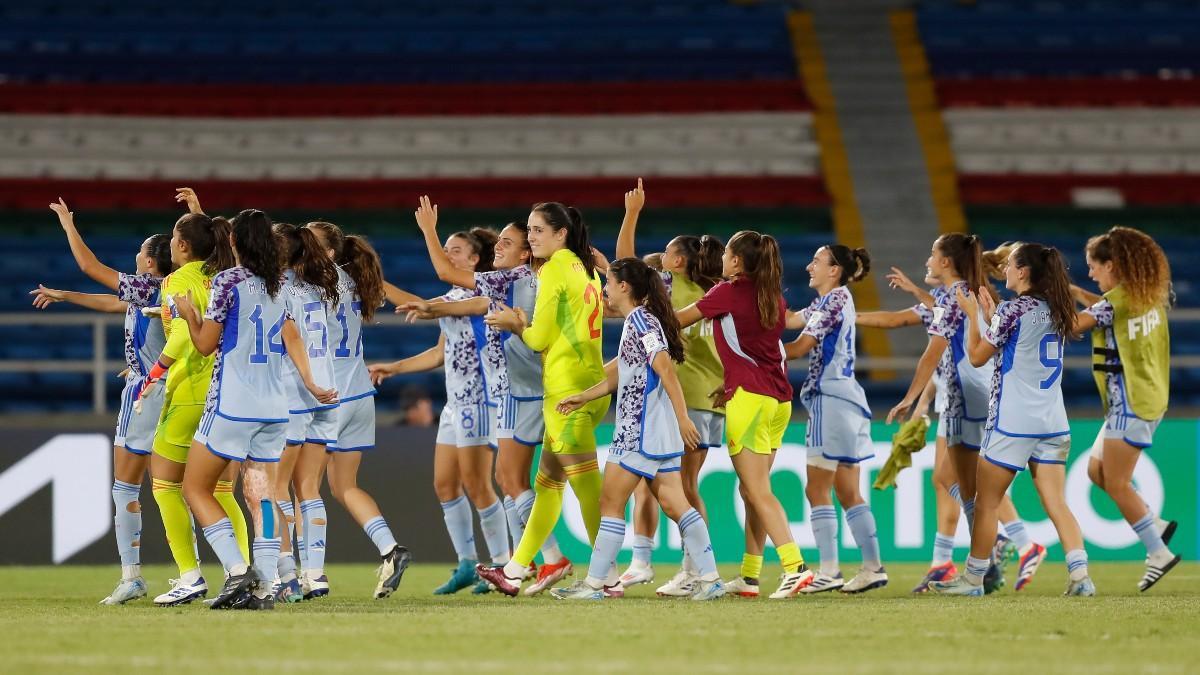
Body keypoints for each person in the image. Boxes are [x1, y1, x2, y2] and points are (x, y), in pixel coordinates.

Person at [171, 208, 336, 609]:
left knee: (194, 488)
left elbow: (206, 344)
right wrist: (312, 382)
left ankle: (235, 570)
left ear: (233, 241)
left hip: (232, 405)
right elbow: (292, 334)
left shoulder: (229, 281)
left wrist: (190, 315)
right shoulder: (281, 285)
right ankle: (265, 586)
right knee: (261, 493)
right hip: (275, 409)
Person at [399, 209, 570, 591]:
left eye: (508, 243)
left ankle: (551, 559)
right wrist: (431, 308)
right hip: (512, 391)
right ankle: (525, 562)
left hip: (516, 390)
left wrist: (428, 230)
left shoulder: (518, 277)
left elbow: (449, 277)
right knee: (514, 480)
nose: (500, 247)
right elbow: (473, 305)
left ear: (526, 253)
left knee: (511, 479)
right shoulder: (519, 280)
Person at [549, 257, 725, 601]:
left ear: (624, 287)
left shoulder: (641, 321)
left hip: (639, 430)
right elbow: (624, 372)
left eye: (609, 283)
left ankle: (595, 584)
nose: (605, 289)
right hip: (657, 430)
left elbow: (665, 369)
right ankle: (711, 578)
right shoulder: (642, 320)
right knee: (677, 504)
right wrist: (584, 397)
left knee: (610, 502)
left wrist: (684, 417)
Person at [32, 199, 174, 604]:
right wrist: (65, 296)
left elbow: (91, 269)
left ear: (150, 262)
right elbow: (114, 304)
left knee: (125, 486)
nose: (137, 254)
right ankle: (194, 573)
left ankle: (132, 575)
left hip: (147, 395)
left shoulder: (149, 285)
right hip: (172, 389)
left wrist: (67, 225)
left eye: (142, 250)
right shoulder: (167, 290)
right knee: (176, 487)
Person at [932, 243, 1094, 596]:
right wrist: (990, 318)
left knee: (986, 503)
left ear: (1023, 272)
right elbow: (1019, 345)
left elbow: (977, 357)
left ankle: (973, 579)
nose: (1004, 269)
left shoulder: (1013, 309)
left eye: (1010, 265)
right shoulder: (1058, 309)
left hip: (1013, 423)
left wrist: (974, 315)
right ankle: (1081, 576)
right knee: (1056, 502)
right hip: (1053, 421)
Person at [370, 210, 510, 595]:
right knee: (444, 485)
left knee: (478, 485)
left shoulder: (485, 293)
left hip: (479, 402)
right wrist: (394, 367)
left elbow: (423, 304)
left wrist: (426, 234)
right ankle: (467, 563)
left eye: (456, 250)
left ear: (474, 260)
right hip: (454, 403)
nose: (448, 255)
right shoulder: (452, 299)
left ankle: (500, 565)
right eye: (445, 249)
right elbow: (438, 352)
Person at [475, 202, 608, 597]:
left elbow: (538, 339)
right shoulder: (585, 267)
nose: (531, 237)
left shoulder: (553, 269)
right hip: (589, 380)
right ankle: (515, 571)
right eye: (529, 231)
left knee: (586, 490)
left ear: (560, 233)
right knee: (547, 484)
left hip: (566, 391)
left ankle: (606, 577)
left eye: (536, 231)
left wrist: (515, 323)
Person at [675, 230, 813, 599]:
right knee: (753, 490)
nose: (721, 259)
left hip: (750, 401)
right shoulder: (771, 296)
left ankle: (794, 566)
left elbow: (677, 321)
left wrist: (634, 308)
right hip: (778, 400)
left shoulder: (726, 292)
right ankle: (750, 576)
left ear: (736, 262)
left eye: (727, 254)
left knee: (756, 490)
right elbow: (761, 348)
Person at [610, 179, 728, 597]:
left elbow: (627, 265)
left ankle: (694, 569)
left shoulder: (671, 289)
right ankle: (646, 562)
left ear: (676, 261)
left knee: (681, 489)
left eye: (667, 254)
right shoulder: (711, 290)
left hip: (688, 398)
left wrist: (632, 213)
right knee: (656, 482)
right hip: (712, 397)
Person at [138, 189, 248, 607]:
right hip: (225, 394)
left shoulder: (176, 281)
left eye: (172, 238)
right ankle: (242, 573)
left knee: (166, 485)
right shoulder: (224, 274)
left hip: (188, 392)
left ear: (182, 246)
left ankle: (190, 575)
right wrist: (200, 215)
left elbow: (185, 335)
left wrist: (156, 376)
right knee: (220, 490)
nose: (169, 245)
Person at [885, 233, 1012, 593]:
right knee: (949, 479)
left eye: (932, 253)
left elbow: (932, 352)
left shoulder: (948, 296)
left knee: (966, 489)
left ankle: (985, 560)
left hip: (960, 397)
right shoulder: (966, 293)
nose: (927, 259)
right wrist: (915, 292)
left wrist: (911, 398)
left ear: (945, 262)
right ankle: (981, 561)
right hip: (985, 395)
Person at [303, 221, 412, 599]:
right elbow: (393, 295)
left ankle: (310, 573)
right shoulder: (354, 279)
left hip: (327, 396)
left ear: (330, 252)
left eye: (310, 242)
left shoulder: (311, 282)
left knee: (304, 487)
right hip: (359, 394)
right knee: (344, 486)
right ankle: (390, 549)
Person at [1072, 227, 1180, 591]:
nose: (1091, 274)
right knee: (1095, 471)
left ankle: (1157, 551)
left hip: (1129, 402)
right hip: (1146, 396)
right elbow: (1105, 309)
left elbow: (1076, 325)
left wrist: (1049, 299)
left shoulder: (1113, 302)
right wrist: (1073, 291)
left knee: (1116, 483)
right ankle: (1154, 522)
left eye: (1094, 267)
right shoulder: (1142, 294)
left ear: (1112, 265)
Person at [784, 245, 887, 594]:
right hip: (850, 400)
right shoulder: (832, 301)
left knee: (816, 488)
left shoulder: (832, 302)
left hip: (830, 400)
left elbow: (799, 346)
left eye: (818, 261)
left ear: (835, 270)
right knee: (847, 491)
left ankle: (829, 570)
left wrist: (752, 356)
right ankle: (872, 567)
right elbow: (788, 321)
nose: (810, 266)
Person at [268, 222, 341, 603]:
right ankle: (316, 573)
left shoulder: (276, 289)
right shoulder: (323, 285)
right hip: (329, 393)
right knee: (309, 488)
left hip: (296, 391)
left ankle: (286, 572)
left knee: (277, 486)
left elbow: (289, 339)